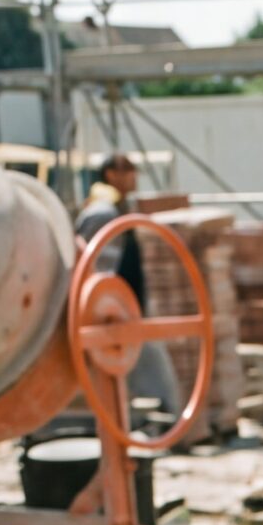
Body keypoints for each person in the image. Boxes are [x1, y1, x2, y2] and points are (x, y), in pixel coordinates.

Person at [74, 151, 183, 422]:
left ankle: (154, 423)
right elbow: (91, 265)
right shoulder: (103, 213)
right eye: (129, 171)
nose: (134, 178)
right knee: (150, 373)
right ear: (112, 174)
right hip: (113, 314)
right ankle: (164, 422)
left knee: (139, 375)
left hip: (126, 309)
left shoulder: (118, 209)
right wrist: (105, 308)